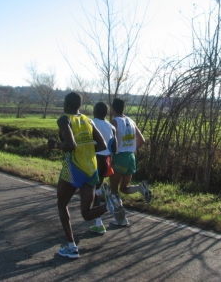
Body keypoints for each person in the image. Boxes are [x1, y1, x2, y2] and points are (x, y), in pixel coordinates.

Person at [49, 92, 123, 258]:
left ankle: (71, 247)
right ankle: (109, 206)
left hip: (73, 169)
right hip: (91, 169)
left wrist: (56, 146)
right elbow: (102, 144)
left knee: (62, 205)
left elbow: (70, 144)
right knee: (86, 213)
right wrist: (87, 149)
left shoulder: (64, 119)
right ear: (79, 105)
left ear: (67, 103)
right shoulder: (87, 120)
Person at [104, 98, 152, 227]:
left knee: (114, 191)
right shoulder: (131, 121)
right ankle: (140, 188)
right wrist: (131, 148)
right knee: (124, 188)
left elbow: (108, 141)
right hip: (131, 157)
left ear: (113, 109)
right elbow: (141, 140)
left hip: (119, 157)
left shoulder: (114, 122)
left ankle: (121, 219)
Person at [89, 102, 117, 234]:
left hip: (94, 160)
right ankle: (98, 222)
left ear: (94, 111)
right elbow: (114, 148)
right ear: (106, 113)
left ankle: (99, 223)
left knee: (92, 191)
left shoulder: (90, 123)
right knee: (95, 189)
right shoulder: (111, 127)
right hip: (106, 160)